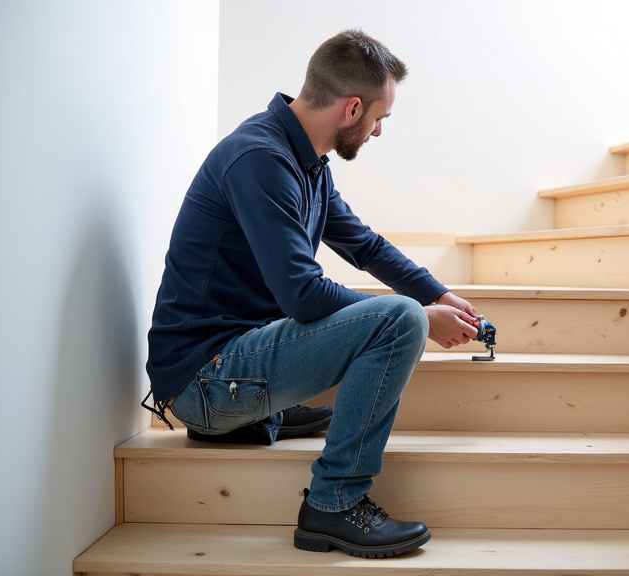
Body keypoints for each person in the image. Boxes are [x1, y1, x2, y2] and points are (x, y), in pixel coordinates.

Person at [142, 28, 481, 559]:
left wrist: (439, 293)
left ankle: (259, 415)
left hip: (226, 360)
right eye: (379, 118)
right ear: (351, 109)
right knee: (401, 322)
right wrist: (422, 312)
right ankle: (334, 504)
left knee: (406, 311)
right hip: (203, 381)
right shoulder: (258, 159)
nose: (378, 131)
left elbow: (362, 244)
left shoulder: (302, 160)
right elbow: (303, 294)